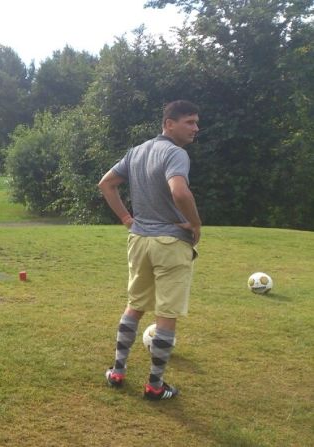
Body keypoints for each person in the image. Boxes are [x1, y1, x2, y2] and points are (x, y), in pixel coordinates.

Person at [98, 100, 202, 401]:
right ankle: (155, 386)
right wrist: (195, 224)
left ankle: (117, 371)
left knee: (135, 305)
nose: (196, 128)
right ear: (169, 123)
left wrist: (126, 219)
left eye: (196, 122)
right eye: (189, 122)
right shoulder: (176, 153)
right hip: (170, 241)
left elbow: (106, 184)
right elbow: (180, 191)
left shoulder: (137, 151)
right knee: (166, 313)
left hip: (140, 240)